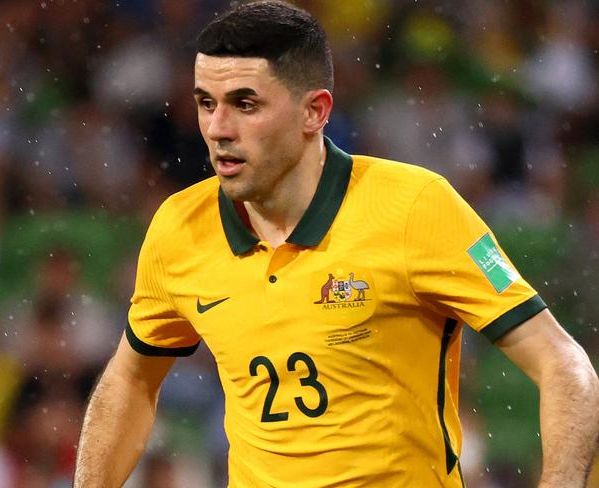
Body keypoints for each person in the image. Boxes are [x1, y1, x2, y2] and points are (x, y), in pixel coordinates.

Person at [74, 2, 599, 487]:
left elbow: (563, 364)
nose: (218, 128)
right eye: (206, 103)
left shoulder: (415, 207)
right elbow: (131, 379)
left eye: (245, 104)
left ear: (315, 111)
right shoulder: (178, 227)